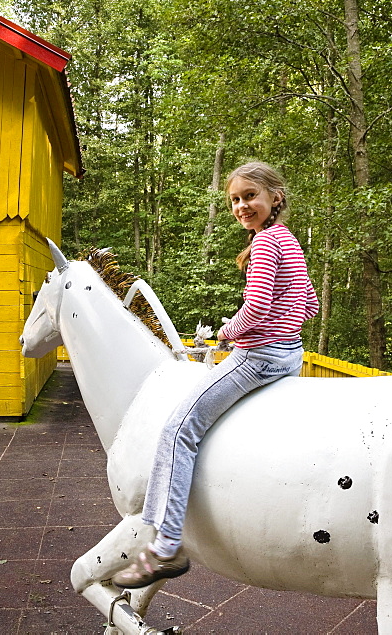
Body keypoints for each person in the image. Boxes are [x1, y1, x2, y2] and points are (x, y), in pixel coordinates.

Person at [113, 161, 320, 589]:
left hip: (258, 357)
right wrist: (284, 327)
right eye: (235, 200)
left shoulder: (265, 244)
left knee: (177, 430)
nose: (242, 206)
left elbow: (258, 306)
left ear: (274, 198)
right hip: (289, 355)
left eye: (250, 196)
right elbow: (310, 303)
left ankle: (165, 545)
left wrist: (228, 333)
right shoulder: (288, 241)